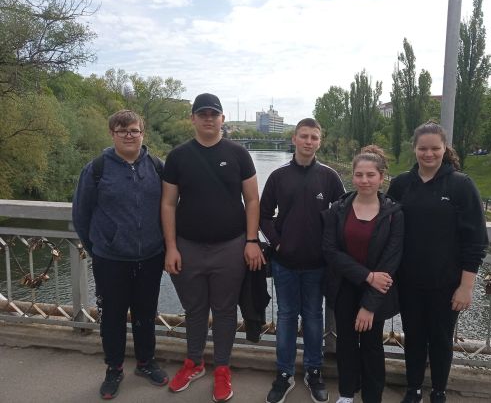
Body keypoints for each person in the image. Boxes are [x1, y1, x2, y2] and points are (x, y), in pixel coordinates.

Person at [162, 93, 264, 402]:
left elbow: (253, 200)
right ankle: (194, 362)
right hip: (188, 247)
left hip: (230, 246)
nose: (208, 118)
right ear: (192, 118)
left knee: (224, 310)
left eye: (213, 114)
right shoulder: (178, 156)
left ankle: (221, 367)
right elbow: (168, 204)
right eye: (202, 114)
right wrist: (171, 247)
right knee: (194, 309)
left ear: (222, 119)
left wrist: (251, 240)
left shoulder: (238, 154)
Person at [387, 121, 488, 403]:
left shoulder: (461, 185)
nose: (428, 154)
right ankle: (414, 389)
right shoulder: (401, 184)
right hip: (409, 281)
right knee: (413, 337)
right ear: (414, 149)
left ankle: (439, 391)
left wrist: (466, 286)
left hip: (447, 283)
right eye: (423, 148)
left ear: (444, 149)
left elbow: (476, 240)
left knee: (442, 340)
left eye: (435, 148)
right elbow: (385, 226)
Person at [72, 110, 168, 400]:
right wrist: (100, 248)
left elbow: (170, 208)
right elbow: (81, 215)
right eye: (122, 130)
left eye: (134, 130)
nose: (129, 135)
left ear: (142, 134)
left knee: (146, 314)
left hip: (151, 256)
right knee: (112, 317)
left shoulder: (157, 167)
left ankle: (146, 362)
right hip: (111, 259)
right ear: (112, 134)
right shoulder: (97, 169)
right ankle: (113, 368)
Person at [260, 118, 345, 403]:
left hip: (317, 265)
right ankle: (284, 373)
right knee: (286, 317)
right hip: (284, 262)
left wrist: (329, 246)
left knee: (313, 317)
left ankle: (313, 370)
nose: (309, 141)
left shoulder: (329, 177)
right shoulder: (279, 176)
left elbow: (343, 214)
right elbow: (264, 215)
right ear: (294, 139)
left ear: (320, 141)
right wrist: (277, 242)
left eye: (314, 137)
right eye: (304, 136)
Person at [322, 146, 404, 403]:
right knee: (345, 342)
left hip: (377, 291)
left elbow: (391, 261)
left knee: (371, 345)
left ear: (381, 177)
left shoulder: (393, 214)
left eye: (370, 175)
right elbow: (330, 251)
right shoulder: (338, 209)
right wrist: (368, 276)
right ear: (353, 176)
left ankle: (372, 397)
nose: (364, 180)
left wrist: (369, 306)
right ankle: (346, 393)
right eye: (359, 175)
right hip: (344, 286)